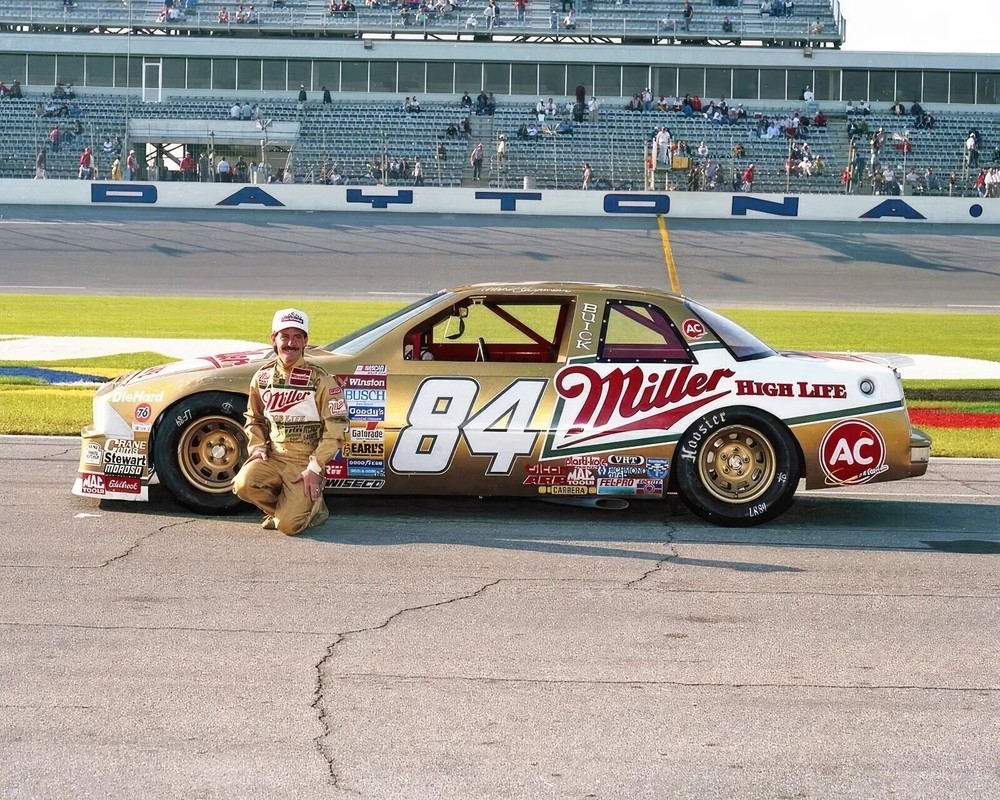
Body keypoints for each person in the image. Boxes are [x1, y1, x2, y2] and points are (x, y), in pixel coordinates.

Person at [232, 309, 347, 535]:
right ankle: (285, 510)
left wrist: (314, 468)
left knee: (288, 527)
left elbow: (336, 429)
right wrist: (257, 447)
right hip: (273, 456)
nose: (291, 343)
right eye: (284, 336)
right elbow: (254, 418)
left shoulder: (320, 378)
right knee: (242, 484)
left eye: (297, 337)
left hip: (305, 460)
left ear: (305, 341)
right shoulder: (262, 377)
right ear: (273, 339)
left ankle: (314, 508)